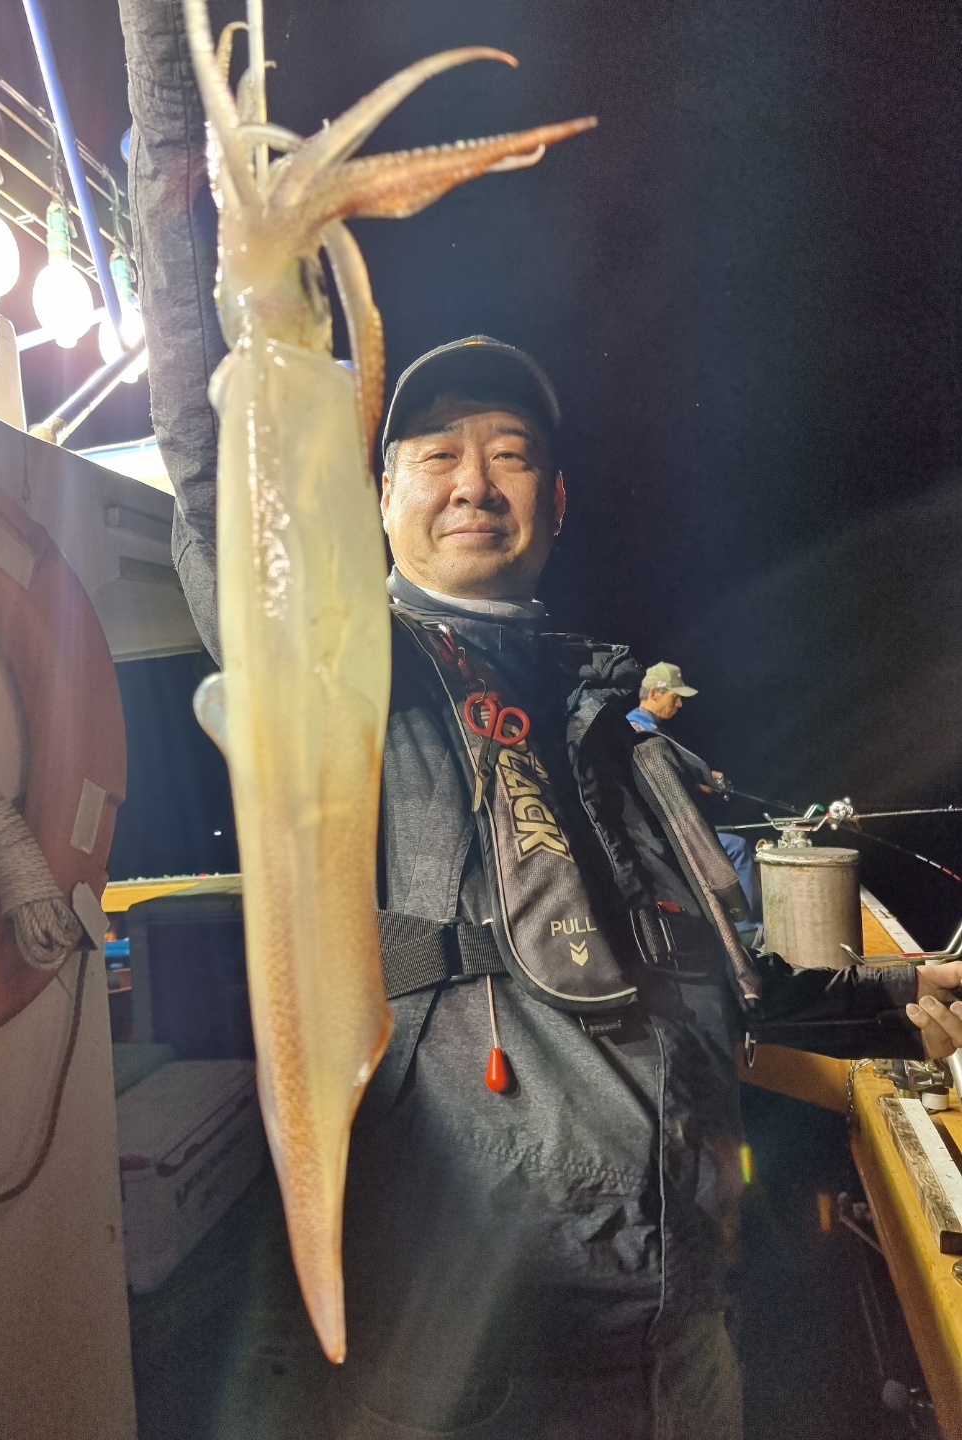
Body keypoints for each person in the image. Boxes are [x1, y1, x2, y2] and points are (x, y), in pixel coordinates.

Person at [118, 5, 962, 1435]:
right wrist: (163, 84)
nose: (473, 482)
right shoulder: (349, 668)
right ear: (376, 494)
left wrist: (905, 997)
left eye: (509, 456)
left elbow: (714, 973)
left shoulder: (623, 726)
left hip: (685, 1334)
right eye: (435, 454)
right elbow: (214, 463)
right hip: (480, 1358)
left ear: (554, 503)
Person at [626, 664, 759, 931]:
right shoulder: (639, 730)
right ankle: (745, 929)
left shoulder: (651, 726)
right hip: (663, 833)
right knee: (736, 847)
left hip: (667, 827)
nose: (679, 704)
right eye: (675, 697)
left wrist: (703, 782)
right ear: (655, 693)